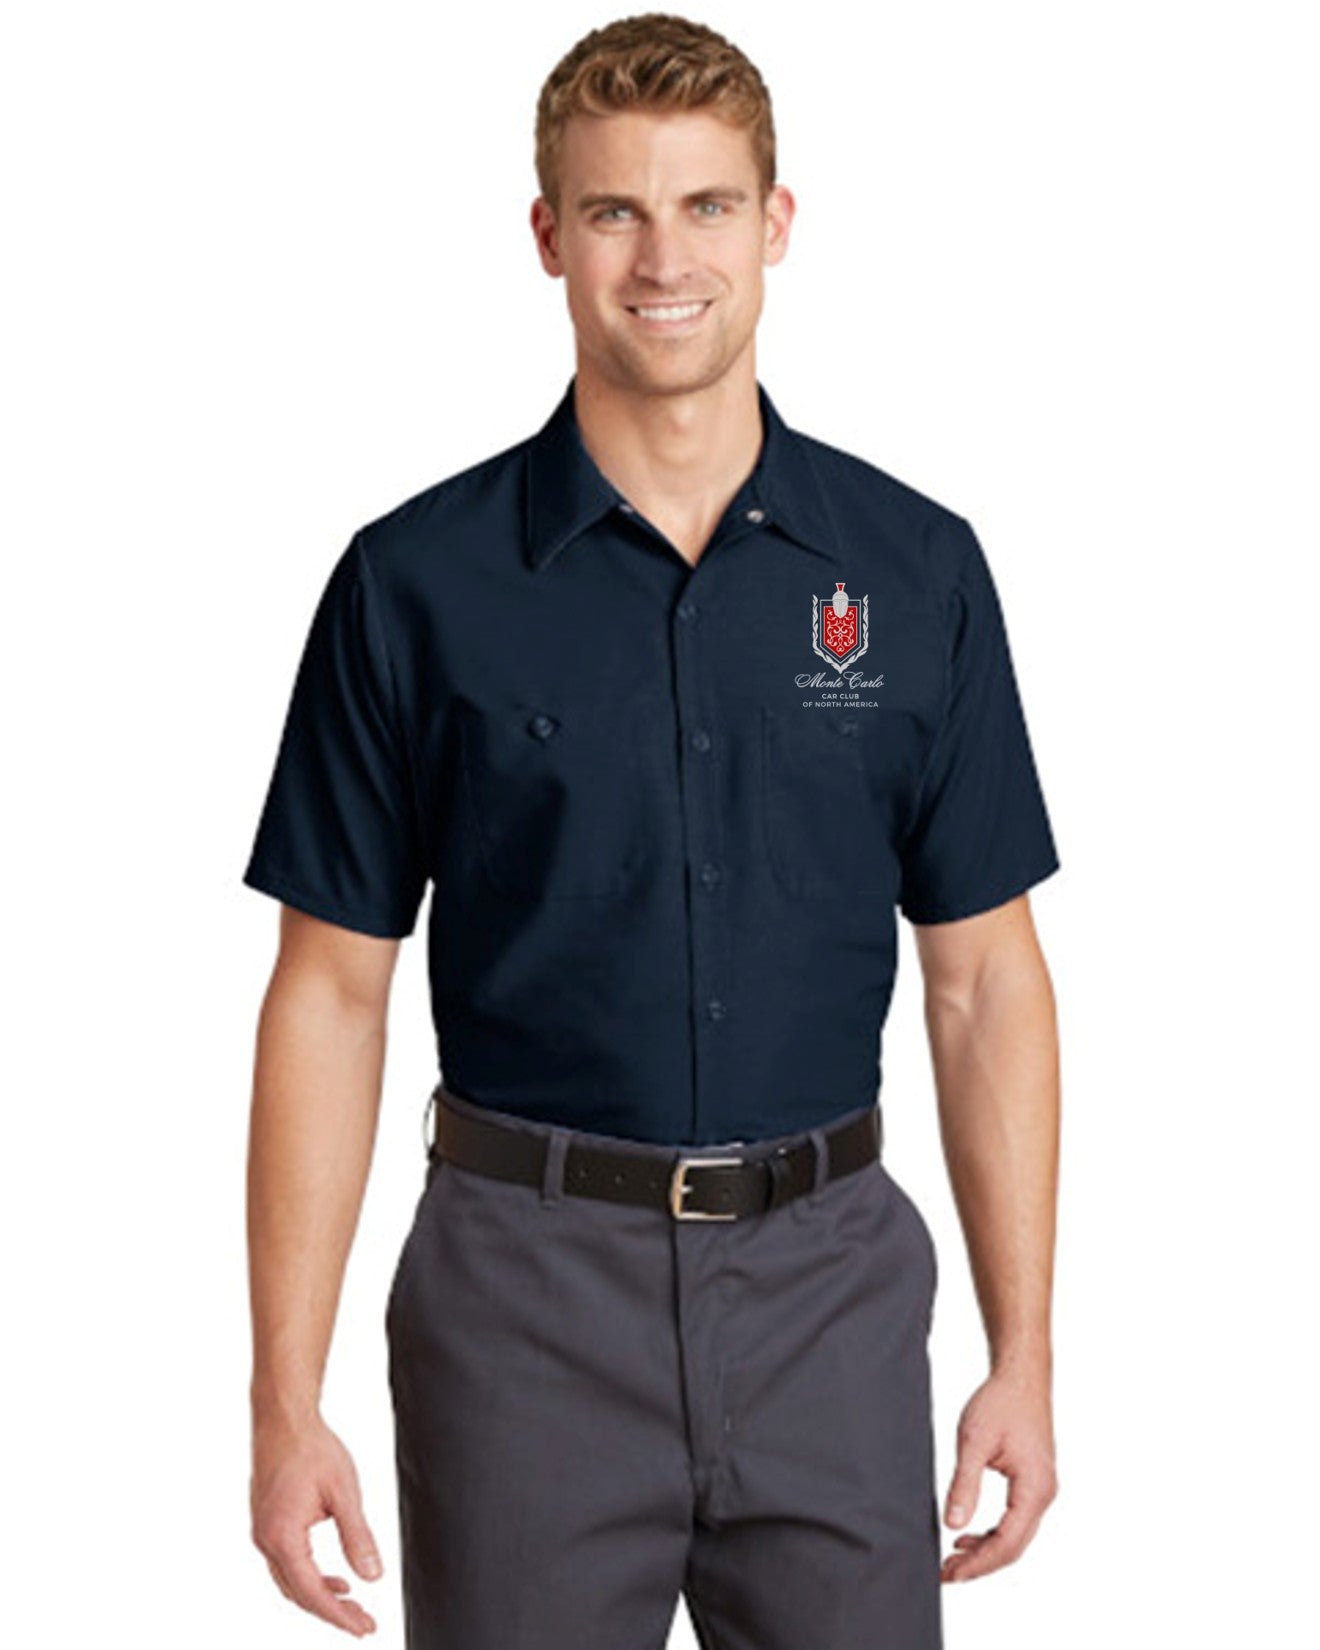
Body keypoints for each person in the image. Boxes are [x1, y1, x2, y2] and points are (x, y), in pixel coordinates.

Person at [242, 14, 1062, 1648]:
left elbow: (985, 982)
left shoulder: (917, 572)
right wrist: (284, 1397)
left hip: (834, 1295)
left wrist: (1024, 1352)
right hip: (520, 1303)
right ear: (549, 235)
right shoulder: (414, 585)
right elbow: (329, 994)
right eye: (614, 209)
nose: (663, 258)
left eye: (705, 205)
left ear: (776, 223)